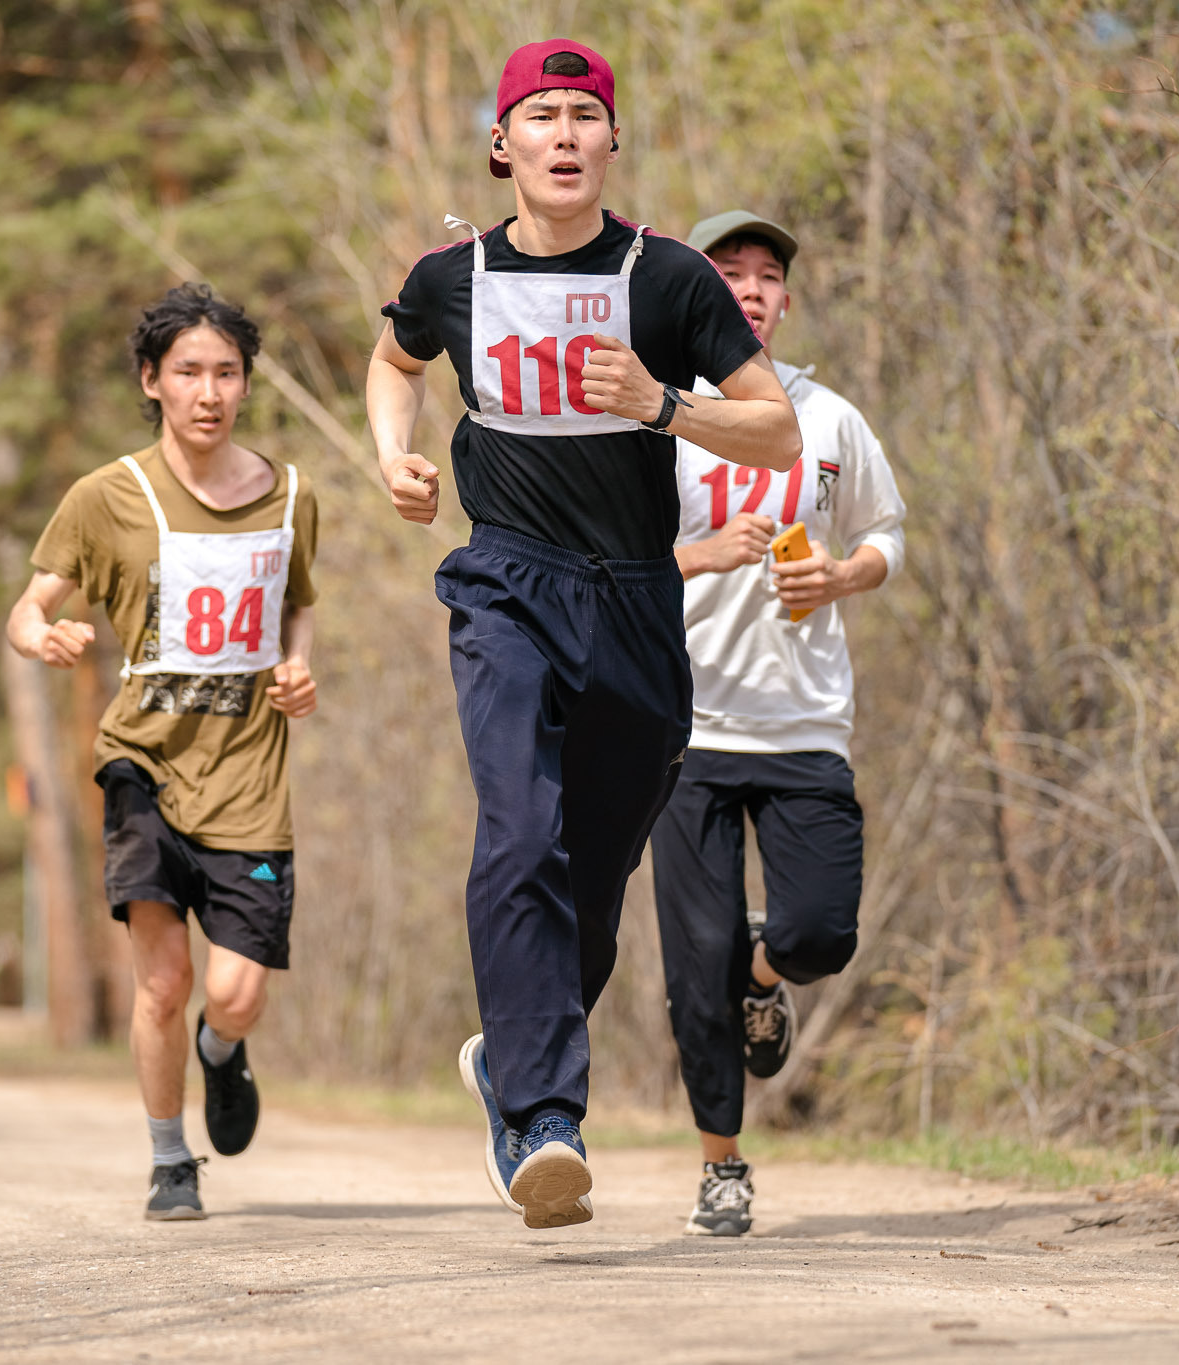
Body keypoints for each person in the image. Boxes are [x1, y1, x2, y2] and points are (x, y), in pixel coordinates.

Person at [366, 40, 802, 1229]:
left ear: (612, 142)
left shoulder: (667, 279)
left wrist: (663, 406)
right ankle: (542, 1119)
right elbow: (394, 359)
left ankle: (507, 1058)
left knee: (592, 882)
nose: (562, 133)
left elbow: (774, 432)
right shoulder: (450, 275)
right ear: (500, 143)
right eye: (539, 114)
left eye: (583, 115)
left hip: (634, 598)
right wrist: (393, 456)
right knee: (518, 833)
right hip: (506, 581)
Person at [7, 283, 320, 1222]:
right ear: (153, 381)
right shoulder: (104, 497)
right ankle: (169, 1158)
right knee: (165, 980)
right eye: (188, 372)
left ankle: (221, 1050)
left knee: (235, 992)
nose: (209, 392)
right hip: (141, 764)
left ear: (246, 383)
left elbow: (299, 604)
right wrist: (43, 636)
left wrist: (298, 667)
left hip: (249, 777)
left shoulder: (292, 493)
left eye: (227, 372)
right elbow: (28, 607)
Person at [652, 210, 908, 1236]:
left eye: (765, 275)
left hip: (805, 721)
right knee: (692, 965)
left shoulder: (830, 419)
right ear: (695, 295)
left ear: (785, 301)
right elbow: (612, 563)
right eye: (727, 273)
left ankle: (766, 975)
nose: (749, 289)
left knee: (818, 933)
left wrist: (844, 574)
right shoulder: (660, 415)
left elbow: (886, 529)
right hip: (684, 728)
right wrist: (702, 553)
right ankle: (721, 1166)